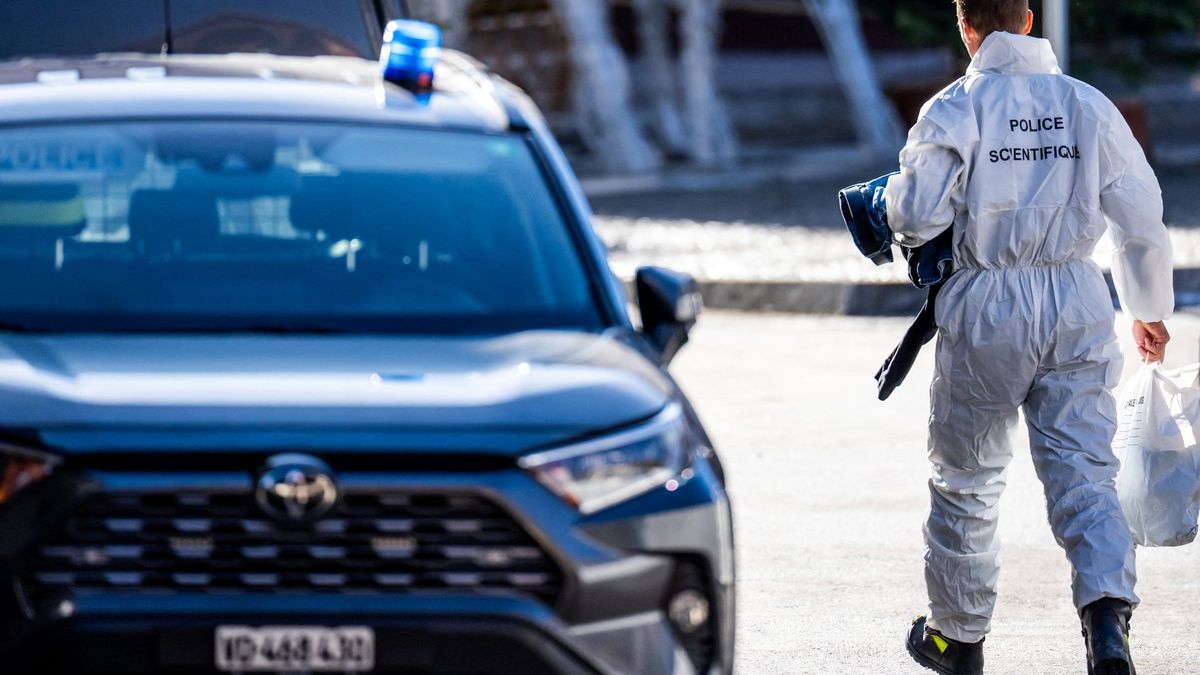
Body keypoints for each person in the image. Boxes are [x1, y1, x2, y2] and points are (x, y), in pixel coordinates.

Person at [883, 1, 1174, 673]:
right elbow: (1141, 213)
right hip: (1076, 298)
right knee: (1085, 473)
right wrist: (1148, 306)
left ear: (965, 25)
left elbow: (915, 213)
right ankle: (1106, 622)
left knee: (968, 477)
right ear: (1030, 18)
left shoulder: (954, 109)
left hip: (986, 304)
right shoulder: (1086, 104)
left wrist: (888, 202)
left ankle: (956, 636)